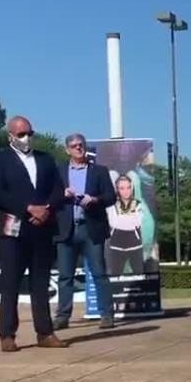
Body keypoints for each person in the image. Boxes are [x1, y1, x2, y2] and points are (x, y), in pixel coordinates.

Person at [0, 116, 67, 353]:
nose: (26, 137)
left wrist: (47, 209)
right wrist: (28, 207)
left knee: (40, 283)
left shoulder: (46, 159)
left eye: (29, 133)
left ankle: (45, 332)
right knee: (10, 282)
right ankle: (7, 334)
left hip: (42, 227)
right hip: (12, 228)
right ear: (10, 136)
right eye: (21, 134)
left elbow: (58, 191)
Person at [54, 133, 117, 331]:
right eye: (73, 146)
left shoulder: (99, 171)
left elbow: (111, 197)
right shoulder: (59, 171)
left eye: (80, 145)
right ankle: (62, 316)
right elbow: (49, 197)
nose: (78, 148)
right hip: (66, 229)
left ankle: (106, 315)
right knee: (65, 276)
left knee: (99, 273)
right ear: (67, 150)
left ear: (85, 147)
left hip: (91, 228)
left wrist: (95, 200)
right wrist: (61, 194)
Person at [105, 175, 146, 275]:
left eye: (128, 187)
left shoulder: (138, 204)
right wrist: (128, 217)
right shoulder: (111, 205)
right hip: (116, 247)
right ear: (117, 189)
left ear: (132, 188)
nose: (126, 191)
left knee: (139, 275)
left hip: (135, 246)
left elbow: (138, 223)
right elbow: (113, 223)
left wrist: (125, 217)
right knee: (115, 276)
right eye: (122, 188)